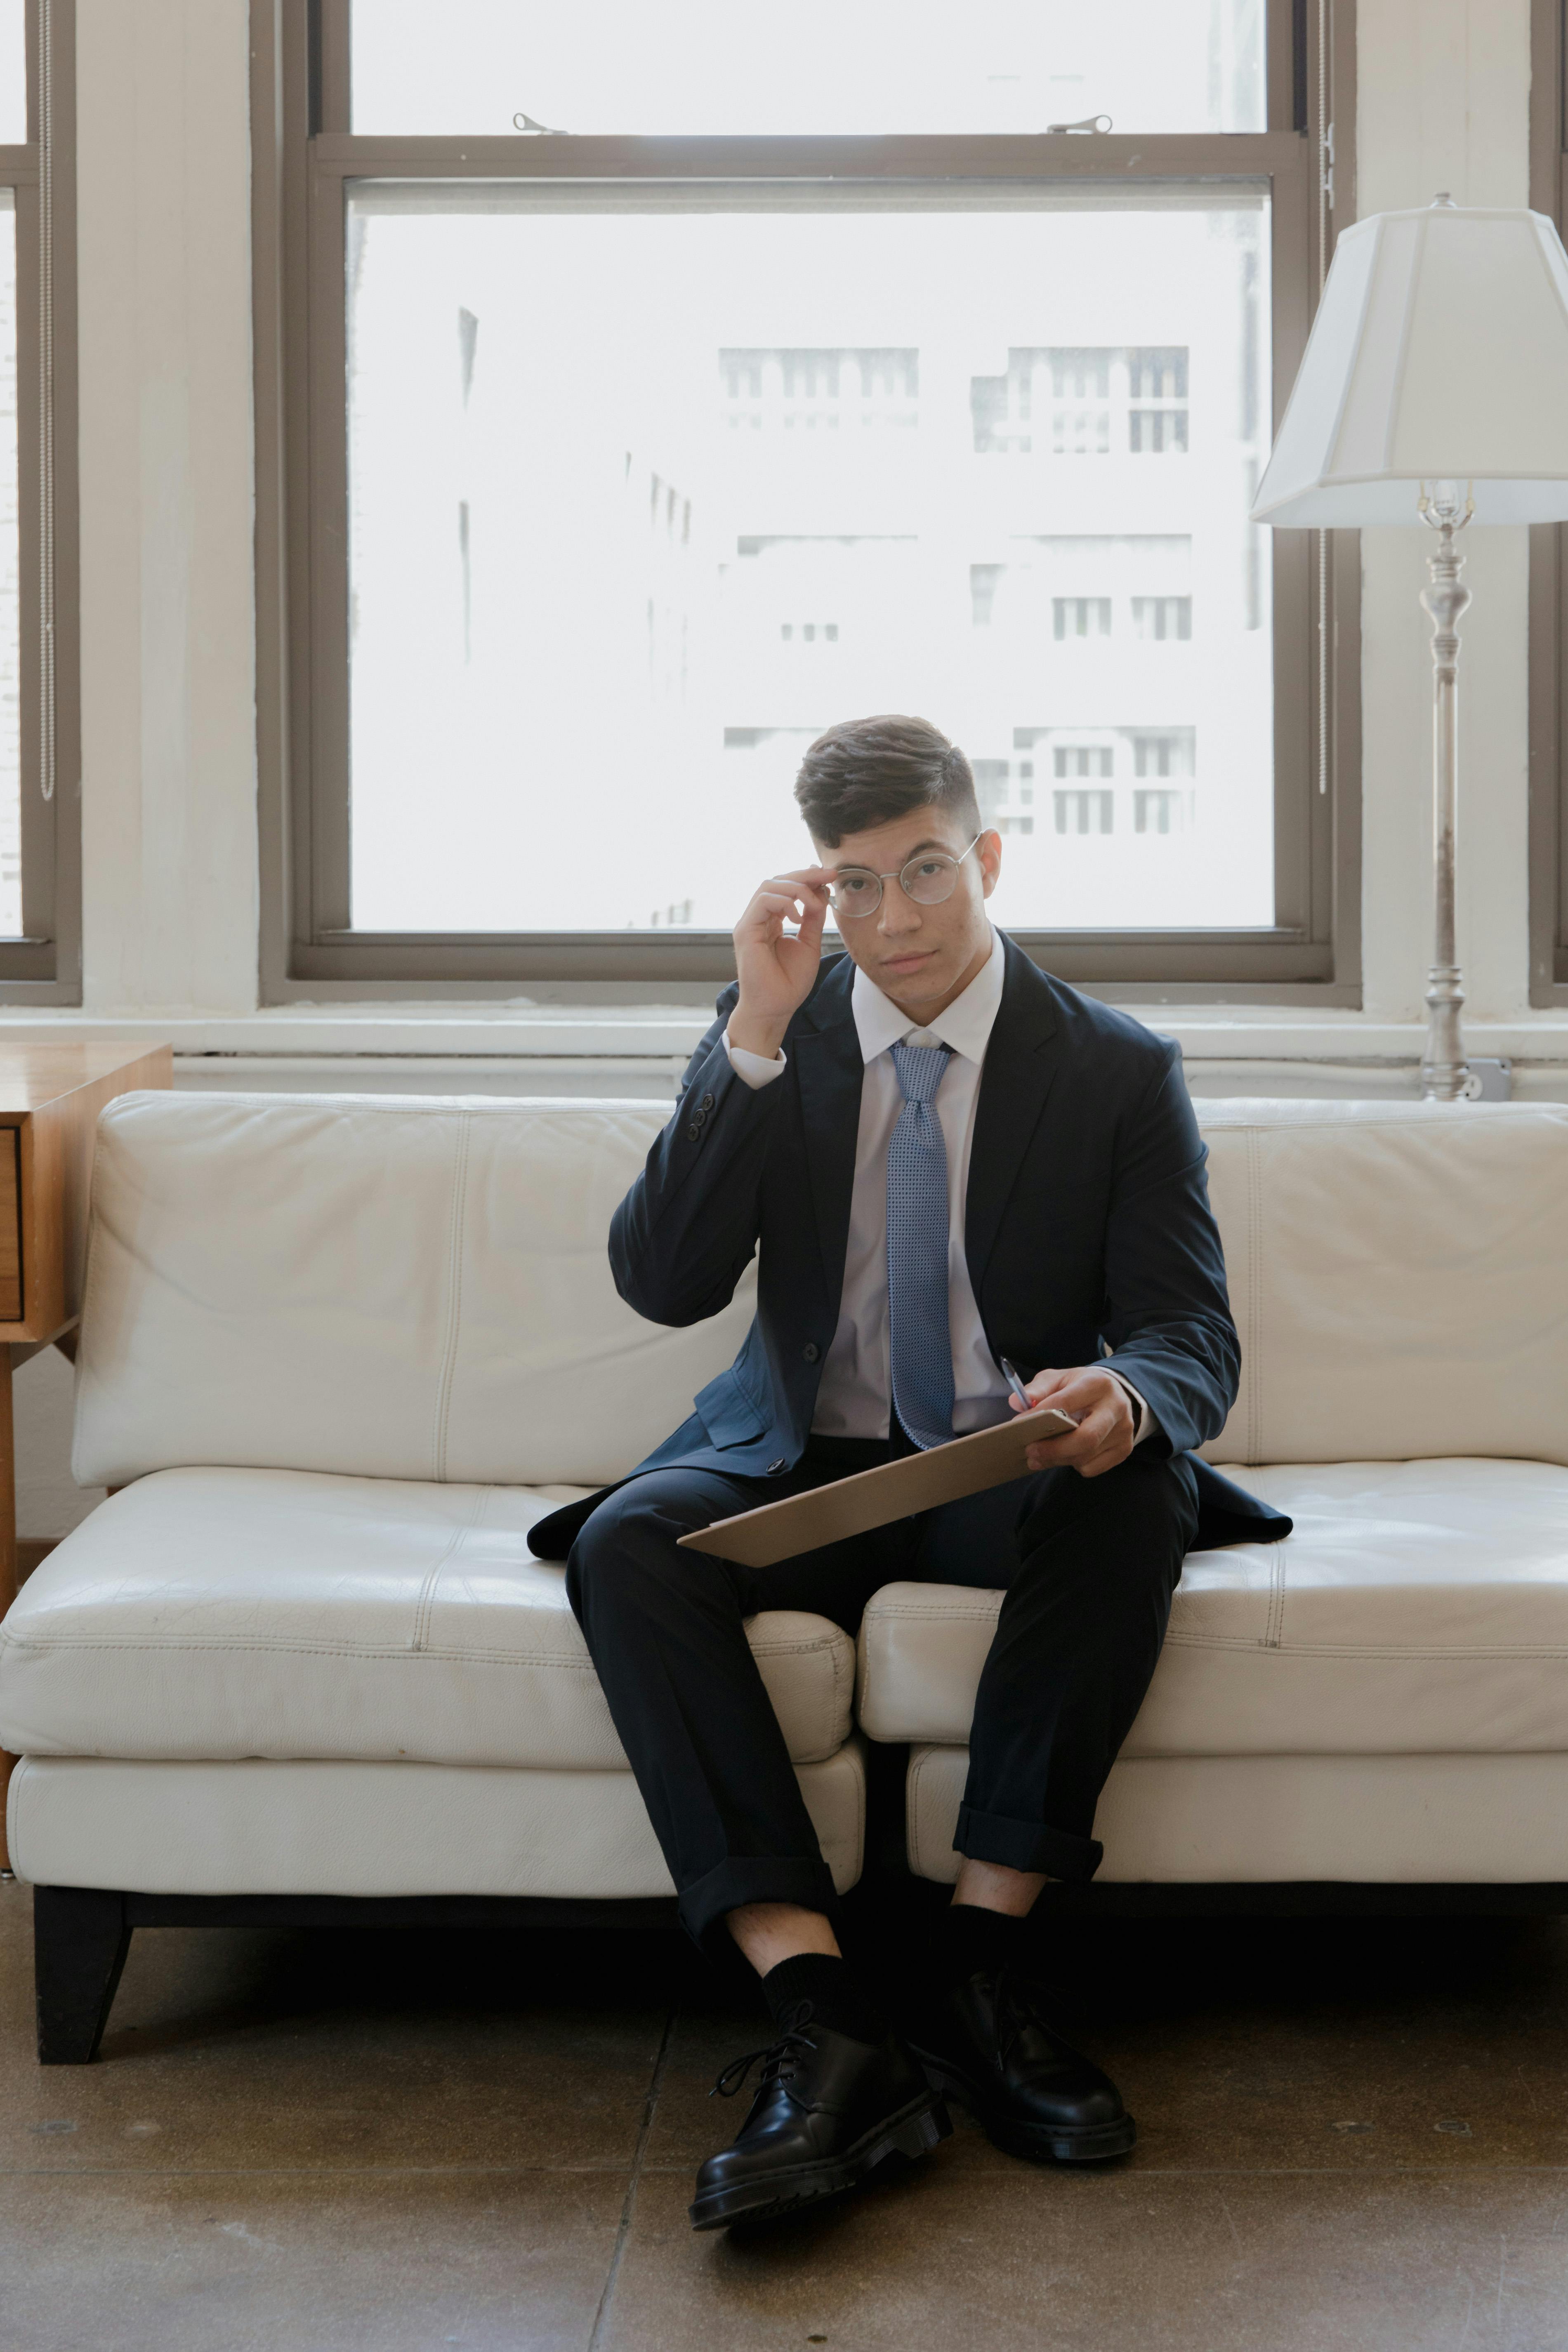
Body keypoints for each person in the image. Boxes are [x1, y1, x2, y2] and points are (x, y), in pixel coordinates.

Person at [528, 713, 1289, 2232]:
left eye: (926, 869)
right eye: (852, 884)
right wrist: (746, 1035)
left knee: (1135, 1481)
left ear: (986, 856)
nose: (895, 920)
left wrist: (1126, 1395)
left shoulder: (1114, 1069)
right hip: (799, 1458)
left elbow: (1187, 1326)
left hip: (1003, 1472)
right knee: (628, 1546)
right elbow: (666, 1284)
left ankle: (978, 1969)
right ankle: (826, 2018)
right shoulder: (779, 1032)